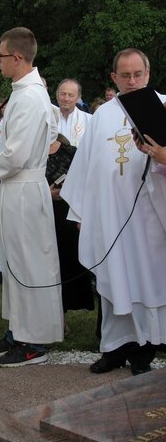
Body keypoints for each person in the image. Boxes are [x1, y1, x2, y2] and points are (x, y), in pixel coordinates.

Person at [61, 48, 166, 376]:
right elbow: (84, 166)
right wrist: (80, 213)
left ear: (148, 74)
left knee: (147, 283)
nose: (132, 81)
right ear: (114, 78)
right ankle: (113, 350)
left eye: (138, 74)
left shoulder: (162, 105)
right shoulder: (101, 115)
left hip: (150, 219)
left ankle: (144, 352)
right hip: (110, 216)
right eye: (125, 75)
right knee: (111, 281)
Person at [0, 27, 63, 366]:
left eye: (0, 56)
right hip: (19, 187)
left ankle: (35, 342)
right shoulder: (25, 91)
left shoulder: (29, 96)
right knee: (16, 262)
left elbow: (14, 155)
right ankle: (18, 330)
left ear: (16, 58)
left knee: (30, 265)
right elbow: (50, 133)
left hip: (25, 187)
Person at [46, 134, 95, 331]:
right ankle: (51, 315)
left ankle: (63, 313)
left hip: (66, 214)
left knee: (66, 263)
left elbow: (83, 178)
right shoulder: (33, 151)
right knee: (48, 266)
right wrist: (46, 193)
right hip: (44, 213)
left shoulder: (70, 151)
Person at [54, 78, 91, 146]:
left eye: (71, 95)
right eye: (63, 94)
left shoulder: (89, 120)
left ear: (78, 98)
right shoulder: (49, 118)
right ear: (57, 95)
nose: (66, 99)